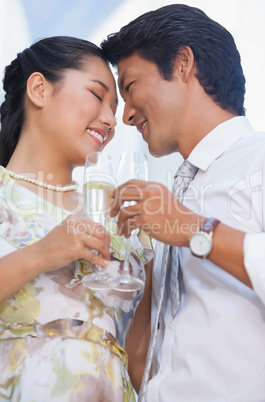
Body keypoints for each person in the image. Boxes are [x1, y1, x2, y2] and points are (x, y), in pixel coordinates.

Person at [101, 4, 265, 401]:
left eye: (130, 86)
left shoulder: (261, 159)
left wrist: (196, 230)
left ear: (182, 64)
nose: (125, 116)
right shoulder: (172, 196)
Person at [0, 36, 153, 401]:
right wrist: (40, 254)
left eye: (115, 106)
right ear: (39, 89)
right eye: (97, 95)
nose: (110, 119)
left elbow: (142, 357)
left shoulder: (126, 219)